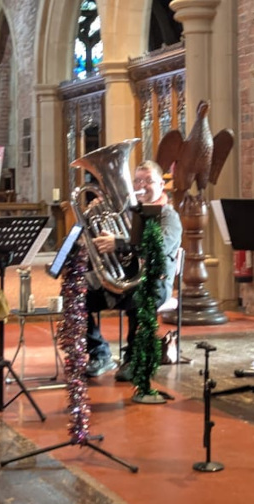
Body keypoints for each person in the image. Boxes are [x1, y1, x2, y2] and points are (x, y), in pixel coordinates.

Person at [86, 160, 183, 380]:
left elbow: (159, 245)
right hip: (123, 280)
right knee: (76, 297)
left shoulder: (168, 216)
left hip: (154, 282)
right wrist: (91, 221)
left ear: (161, 184)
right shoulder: (124, 213)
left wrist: (119, 243)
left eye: (148, 180)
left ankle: (133, 358)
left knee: (139, 296)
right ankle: (100, 354)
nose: (142, 185)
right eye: (137, 180)